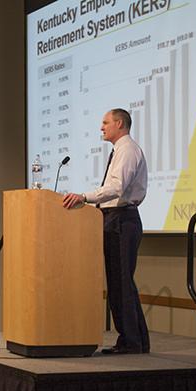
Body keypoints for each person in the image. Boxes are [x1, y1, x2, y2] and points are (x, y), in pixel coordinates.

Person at [63, 108, 150, 354]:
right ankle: (137, 341)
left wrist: (84, 197)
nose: (101, 127)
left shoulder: (128, 150)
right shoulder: (120, 151)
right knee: (121, 283)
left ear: (119, 123)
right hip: (115, 219)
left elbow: (116, 187)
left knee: (121, 283)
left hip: (123, 220)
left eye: (105, 122)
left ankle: (131, 342)